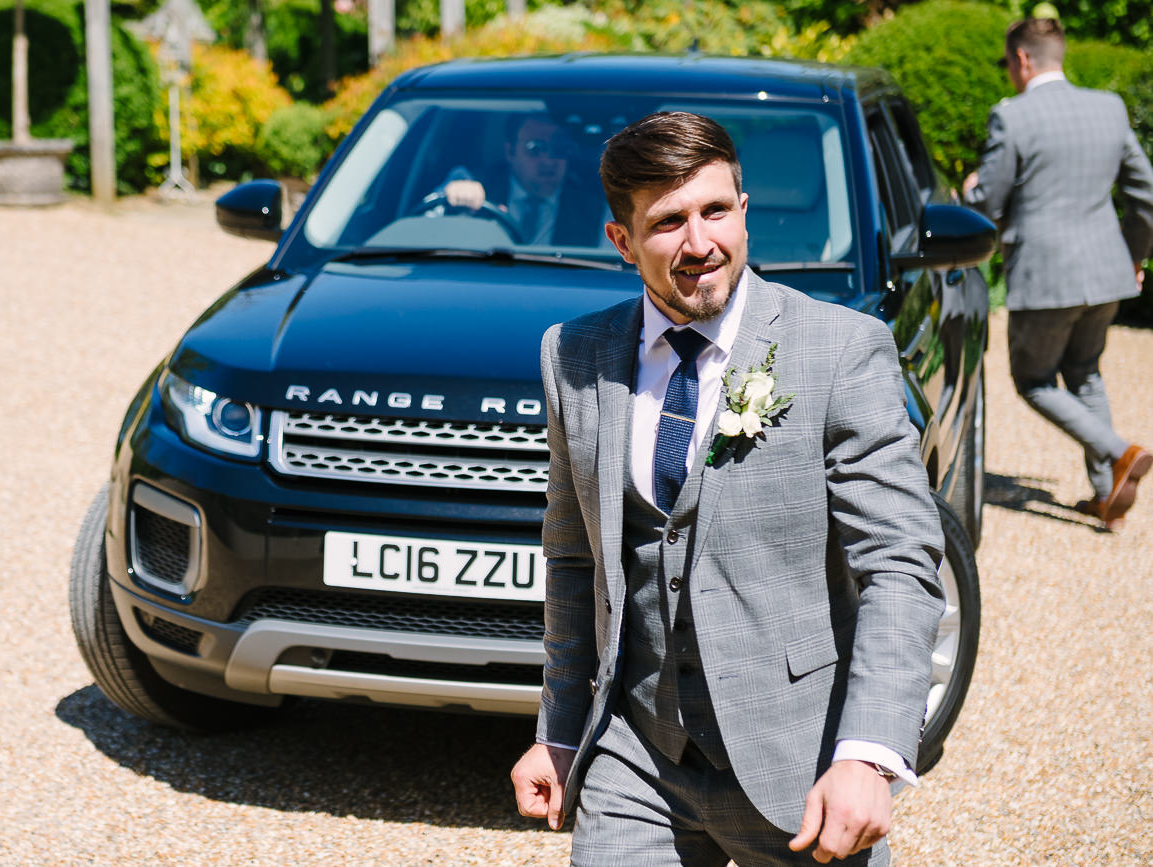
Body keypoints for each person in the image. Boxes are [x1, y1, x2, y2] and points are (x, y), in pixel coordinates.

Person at [510, 111, 945, 865]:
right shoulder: (572, 356)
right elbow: (572, 558)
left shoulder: (839, 349)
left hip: (799, 760)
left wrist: (868, 753)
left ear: (744, 209)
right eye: (668, 222)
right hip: (637, 756)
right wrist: (559, 727)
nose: (700, 242)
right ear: (622, 241)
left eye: (715, 210)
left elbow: (900, 564)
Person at [961, 17, 1153, 530]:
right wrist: (1134, 257)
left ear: (1022, 59)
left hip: (1046, 278)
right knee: (1085, 370)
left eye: (1008, 65)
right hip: (1107, 271)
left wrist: (970, 188)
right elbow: (1145, 193)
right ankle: (1106, 492)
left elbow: (989, 200)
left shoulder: (1012, 117)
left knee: (1034, 380)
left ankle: (1120, 451)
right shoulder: (1108, 108)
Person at [438, 112, 605, 246]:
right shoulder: (473, 181)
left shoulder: (596, 208)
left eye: (558, 148)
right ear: (510, 152)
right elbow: (428, 223)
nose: (548, 160)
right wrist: (457, 195)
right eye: (535, 148)